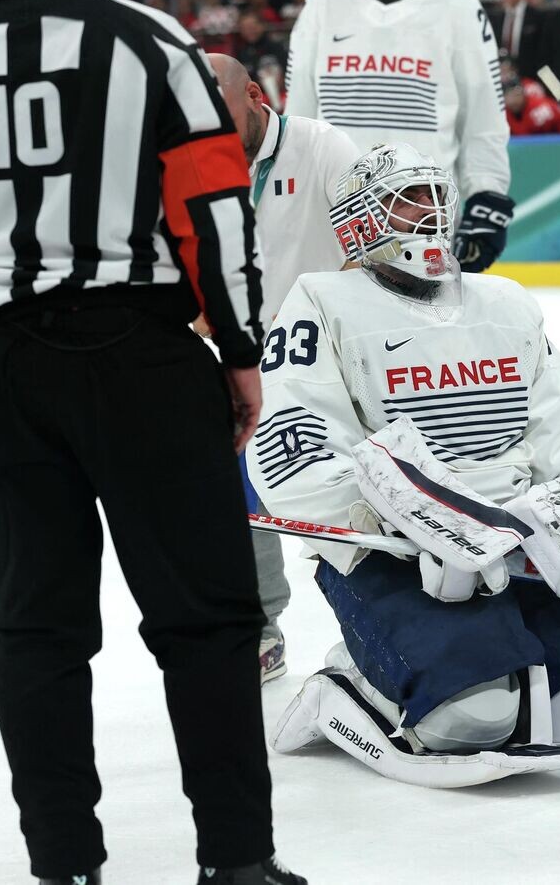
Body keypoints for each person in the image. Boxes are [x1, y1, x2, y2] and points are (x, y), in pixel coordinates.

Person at [0, 0, 303, 883]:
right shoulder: (149, 39)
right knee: (210, 623)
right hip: (143, 356)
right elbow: (212, 204)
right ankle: (237, 863)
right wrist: (238, 349)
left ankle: (63, 865)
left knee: (36, 634)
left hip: (1, 371)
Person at [250, 143, 560, 785]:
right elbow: (292, 447)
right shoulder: (320, 301)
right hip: (400, 556)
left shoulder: (505, 301)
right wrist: (410, 530)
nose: (429, 214)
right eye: (408, 199)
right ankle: (348, 681)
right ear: (361, 219)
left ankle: (508, 652)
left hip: (522, 543)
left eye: (436, 196)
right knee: (471, 716)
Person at [200, 53, 360, 683]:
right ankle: (262, 627)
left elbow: (370, 244)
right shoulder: (184, 163)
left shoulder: (324, 147)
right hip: (243, 353)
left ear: (257, 97)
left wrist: (320, 324)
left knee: (347, 494)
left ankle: (382, 611)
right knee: (241, 489)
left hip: (331, 354)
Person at [283, 0, 515, 273]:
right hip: (337, 217)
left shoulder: (460, 8)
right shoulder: (323, 1)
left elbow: (484, 122)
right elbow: (298, 120)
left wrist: (486, 197)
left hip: (425, 217)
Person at [501, 53, 560, 135]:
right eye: (508, 95)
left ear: (523, 93)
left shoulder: (541, 108)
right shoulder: (503, 112)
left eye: (516, 94)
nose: (512, 100)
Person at [488, 0, 547, 79]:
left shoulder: (538, 17)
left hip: (529, 78)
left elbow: (543, 53)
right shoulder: (495, 17)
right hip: (502, 78)